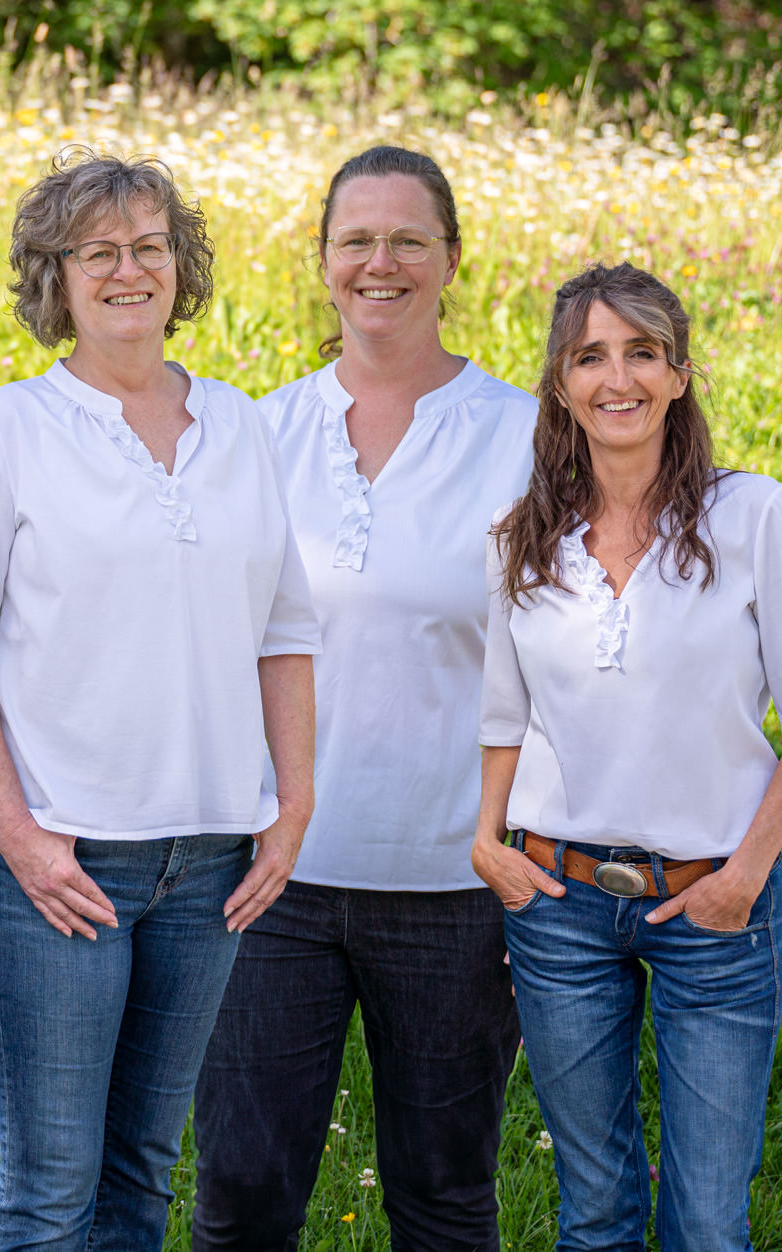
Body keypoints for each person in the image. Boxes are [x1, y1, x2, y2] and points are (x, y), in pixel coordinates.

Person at [0, 149, 320, 1251]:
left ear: (182, 269)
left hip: (210, 856)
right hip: (66, 855)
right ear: (57, 277)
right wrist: (18, 833)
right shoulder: (8, 428)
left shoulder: (243, 426)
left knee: (141, 1170)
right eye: (98, 250)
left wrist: (291, 802)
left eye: (149, 247)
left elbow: (284, 634)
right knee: (50, 1185)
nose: (127, 268)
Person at [471, 262, 782, 1251]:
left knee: (703, 1223)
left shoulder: (752, 516)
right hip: (557, 909)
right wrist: (487, 840)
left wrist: (745, 874)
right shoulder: (522, 540)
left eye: (641, 351)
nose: (618, 377)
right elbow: (503, 712)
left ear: (679, 373)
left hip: (712, 908)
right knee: (594, 1214)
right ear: (559, 386)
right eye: (589, 356)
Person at [191, 146, 536, 1252]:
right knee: (242, 1191)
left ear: (449, 258)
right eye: (355, 239)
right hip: (268, 878)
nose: (378, 262)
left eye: (406, 239)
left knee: (441, 1194)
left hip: (453, 878)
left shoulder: (529, 435)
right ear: (323, 259)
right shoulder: (251, 429)